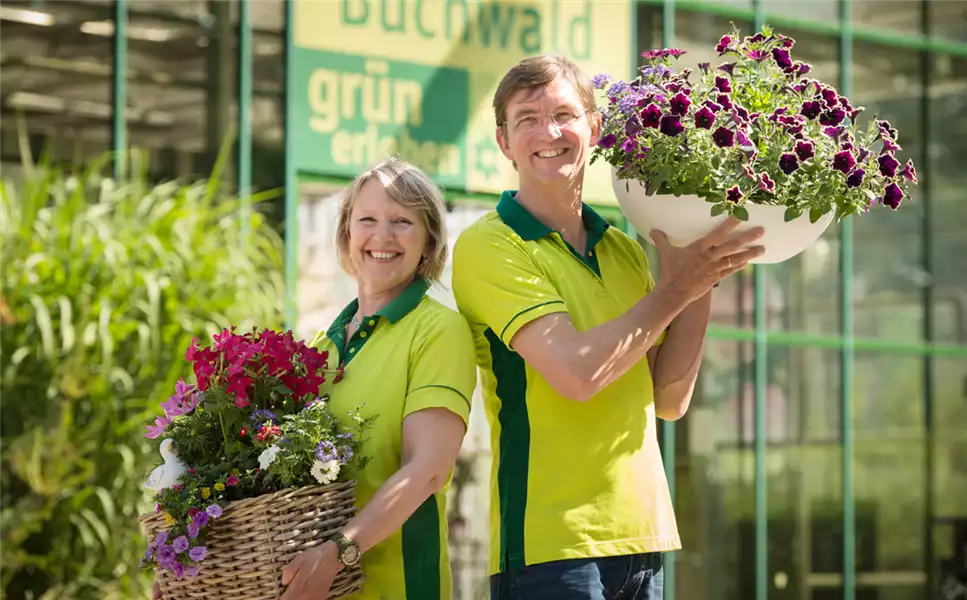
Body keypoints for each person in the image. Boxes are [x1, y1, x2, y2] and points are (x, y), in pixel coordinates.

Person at [450, 54, 765, 600]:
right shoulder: (491, 245)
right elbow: (576, 374)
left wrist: (704, 272)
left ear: (594, 128)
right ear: (504, 142)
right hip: (552, 546)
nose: (549, 132)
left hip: (644, 537)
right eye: (527, 118)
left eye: (564, 115)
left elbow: (667, 397)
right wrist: (676, 288)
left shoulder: (623, 249)